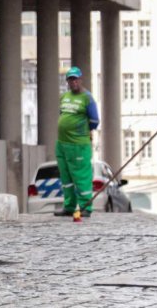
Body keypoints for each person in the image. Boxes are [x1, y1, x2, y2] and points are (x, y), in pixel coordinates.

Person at [54, 66, 100, 218]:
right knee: (66, 178)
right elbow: (62, 114)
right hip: (62, 144)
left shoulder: (87, 98)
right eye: (70, 79)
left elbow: (94, 120)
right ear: (67, 81)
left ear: (80, 79)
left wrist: (85, 131)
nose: (73, 82)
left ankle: (86, 206)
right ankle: (69, 206)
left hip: (78, 145)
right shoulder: (64, 97)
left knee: (81, 177)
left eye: (75, 79)